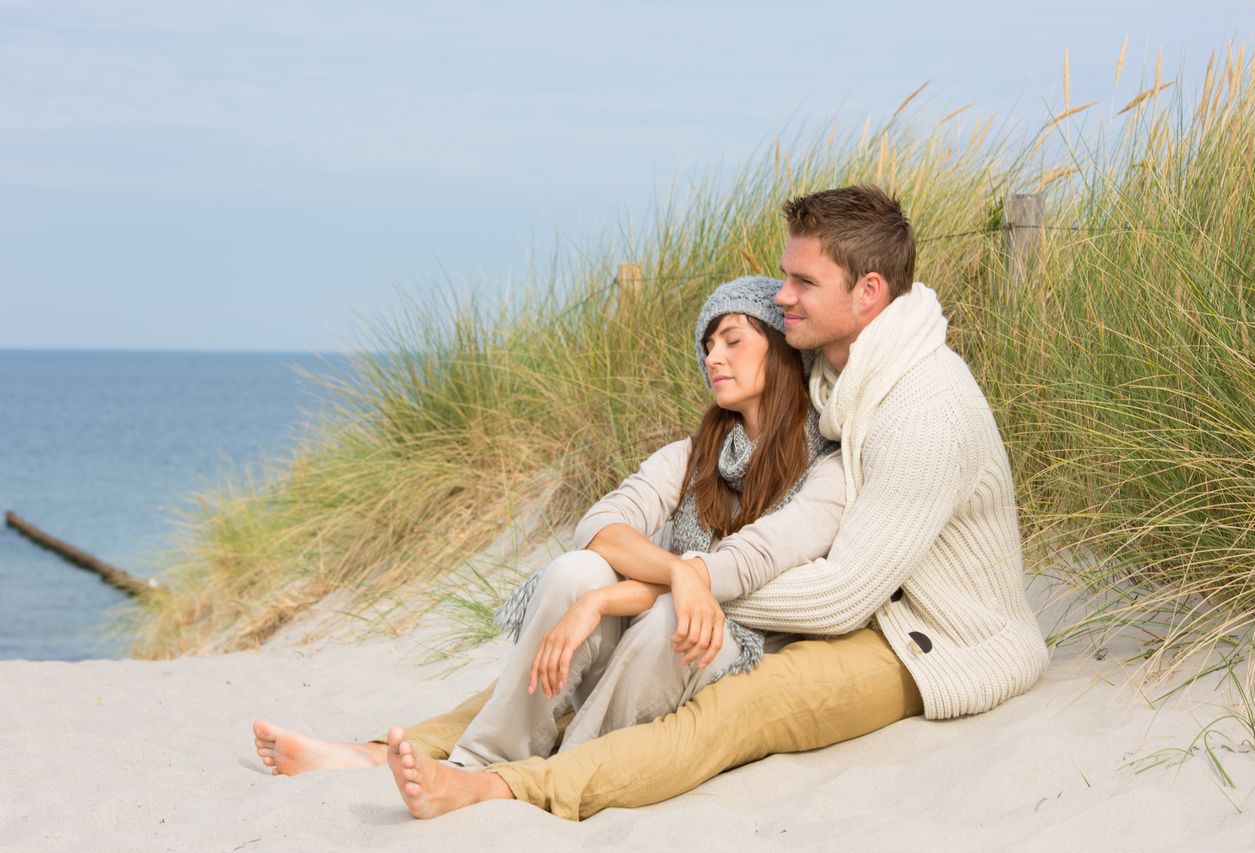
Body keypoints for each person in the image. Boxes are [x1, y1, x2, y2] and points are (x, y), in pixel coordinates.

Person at [259, 185, 1050, 821]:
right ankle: (388, 752)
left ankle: (514, 788)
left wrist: (662, 586)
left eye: (802, 282)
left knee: (733, 706)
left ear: (868, 293)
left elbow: (844, 589)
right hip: (851, 593)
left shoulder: (924, 407)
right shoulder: (839, 376)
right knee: (574, 644)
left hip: (927, 637)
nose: (784, 296)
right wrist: (657, 585)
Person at [252, 276, 847, 794]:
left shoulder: (826, 469)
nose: (714, 356)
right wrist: (662, 578)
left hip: (735, 644)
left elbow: (746, 566)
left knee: (673, 623)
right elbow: (599, 526)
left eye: (733, 340)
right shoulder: (693, 455)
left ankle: (546, 777)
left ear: (781, 351)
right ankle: (478, 761)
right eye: (708, 344)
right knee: (574, 571)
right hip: (661, 607)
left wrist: (624, 596)